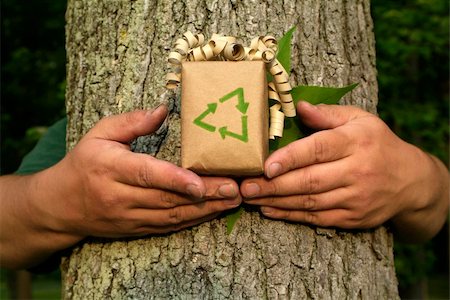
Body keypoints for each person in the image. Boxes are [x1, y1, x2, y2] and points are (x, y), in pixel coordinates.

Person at [0, 102, 448, 270]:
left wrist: (416, 177)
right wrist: (51, 202)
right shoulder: (79, 129)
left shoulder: (359, 112)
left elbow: (435, 212)